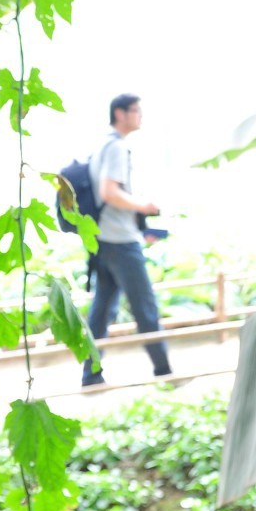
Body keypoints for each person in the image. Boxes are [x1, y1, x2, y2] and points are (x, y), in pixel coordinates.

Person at [81, 93, 173, 388]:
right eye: (136, 111)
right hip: (120, 242)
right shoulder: (117, 148)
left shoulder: (103, 145)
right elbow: (109, 193)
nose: (140, 116)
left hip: (103, 239)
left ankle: (91, 375)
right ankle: (165, 372)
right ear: (120, 113)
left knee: (101, 312)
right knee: (145, 307)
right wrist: (144, 207)